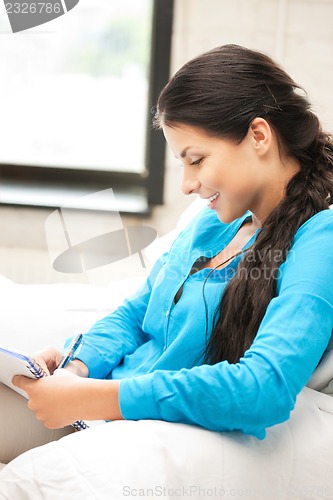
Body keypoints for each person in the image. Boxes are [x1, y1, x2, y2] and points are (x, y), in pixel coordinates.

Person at [1, 44, 333, 498]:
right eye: (182, 163)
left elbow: (264, 387)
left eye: (196, 160)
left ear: (259, 136)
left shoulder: (320, 239)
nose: (187, 184)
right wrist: (76, 369)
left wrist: (97, 399)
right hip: (93, 407)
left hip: (128, 427)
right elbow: (137, 312)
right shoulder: (216, 223)